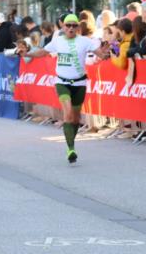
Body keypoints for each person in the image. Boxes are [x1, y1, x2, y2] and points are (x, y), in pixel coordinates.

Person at [23, 13, 109, 163]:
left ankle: (71, 141)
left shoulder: (85, 41)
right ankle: (71, 149)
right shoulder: (58, 41)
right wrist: (27, 53)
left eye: (74, 25)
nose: (71, 28)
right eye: (68, 25)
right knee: (68, 113)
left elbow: (100, 55)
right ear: (63, 27)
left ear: (78, 27)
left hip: (79, 83)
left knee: (75, 118)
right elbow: (43, 52)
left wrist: (106, 53)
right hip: (62, 82)